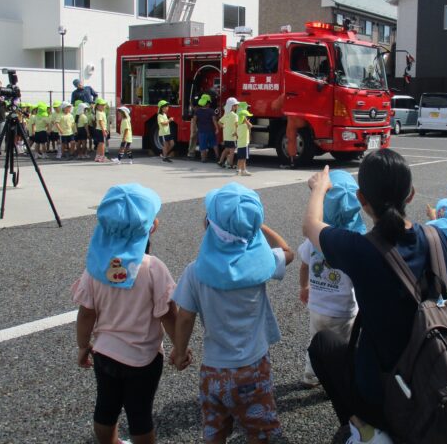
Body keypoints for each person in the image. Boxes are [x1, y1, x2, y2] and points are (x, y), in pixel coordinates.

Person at [303, 150, 447, 444]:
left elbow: (310, 226)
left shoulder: (359, 249)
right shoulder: (438, 240)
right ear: (411, 195)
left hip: (384, 393)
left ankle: (367, 428)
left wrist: (320, 189)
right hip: (440, 376)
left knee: (323, 344)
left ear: (362, 199)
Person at [171, 183, 294, 444]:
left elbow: (184, 317)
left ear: (208, 226)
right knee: (261, 432)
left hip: (213, 369)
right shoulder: (260, 263)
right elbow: (288, 251)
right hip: (253, 369)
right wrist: (257, 226)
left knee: (214, 430)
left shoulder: (195, 270)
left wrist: (180, 351)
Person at [72, 184, 184, 444]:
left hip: (104, 354)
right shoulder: (153, 268)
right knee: (140, 415)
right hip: (143, 359)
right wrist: (180, 347)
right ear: (152, 226)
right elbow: (168, 314)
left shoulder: (95, 268)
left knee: (105, 409)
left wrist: (82, 346)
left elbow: (86, 313)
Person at [298, 170, 361, 388]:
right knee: (342, 347)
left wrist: (304, 286)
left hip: (317, 306)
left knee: (315, 341)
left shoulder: (313, 241)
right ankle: (337, 381)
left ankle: (310, 375)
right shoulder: (354, 244)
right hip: (343, 310)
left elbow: (304, 265)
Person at [193, 94, 220, 164]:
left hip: (201, 131)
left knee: (202, 145)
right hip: (210, 131)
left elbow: (194, 121)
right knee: (214, 144)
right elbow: (214, 120)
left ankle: (203, 158)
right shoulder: (211, 111)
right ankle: (217, 157)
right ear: (207, 103)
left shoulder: (197, 111)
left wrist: (195, 128)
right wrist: (217, 129)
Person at [217, 97, 239, 169]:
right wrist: (236, 132)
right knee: (232, 150)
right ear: (232, 106)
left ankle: (220, 161)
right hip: (232, 136)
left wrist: (224, 127)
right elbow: (236, 124)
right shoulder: (235, 115)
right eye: (236, 105)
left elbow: (219, 122)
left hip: (226, 136)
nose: (237, 107)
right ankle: (230, 164)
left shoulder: (226, 114)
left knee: (226, 149)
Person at [236, 103, 253, 177]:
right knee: (243, 158)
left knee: (241, 157)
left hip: (240, 142)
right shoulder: (244, 120)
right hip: (244, 142)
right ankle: (242, 170)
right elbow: (250, 126)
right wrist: (247, 120)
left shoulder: (238, 122)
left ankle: (240, 170)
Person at [93, 98, 109, 163]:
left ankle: (98, 157)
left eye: (104, 105)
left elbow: (104, 122)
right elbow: (100, 122)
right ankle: (102, 157)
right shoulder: (99, 113)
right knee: (102, 144)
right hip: (100, 130)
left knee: (100, 143)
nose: (103, 106)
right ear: (97, 106)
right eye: (101, 105)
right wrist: (103, 131)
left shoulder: (102, 112)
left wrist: (105, 129)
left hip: (100, 129)